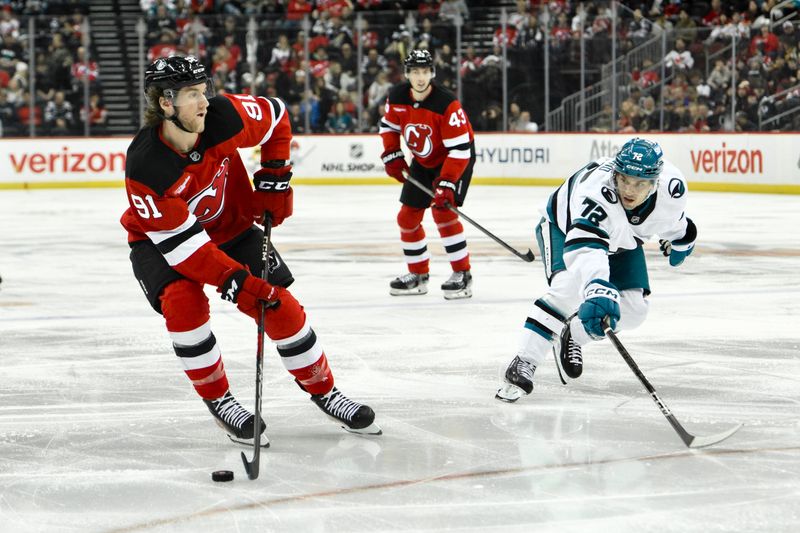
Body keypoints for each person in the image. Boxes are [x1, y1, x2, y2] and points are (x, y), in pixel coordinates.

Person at [121, 55, 381, 446]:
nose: (204, 101)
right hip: (163, 244)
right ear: (165, 103)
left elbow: (277, 116)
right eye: (192, 94)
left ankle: (325, 391)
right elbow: (185, 250)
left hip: (230, 226)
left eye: (203, 90)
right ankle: (220, 401)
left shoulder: (223, 116)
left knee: (280, 305)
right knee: (183, 303)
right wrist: (236, 282)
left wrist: (275, 177)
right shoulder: (146, 165)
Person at [496, 138, 697, 402]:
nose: (629, 190)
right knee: (567, 289)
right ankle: (524, 361)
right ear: (615, 172)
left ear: (654, 183)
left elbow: (675, 224)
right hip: (565, 227)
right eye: (624, 179)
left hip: (622, 242)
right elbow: (586, 246)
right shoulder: (596, 192)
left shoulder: (672, 189)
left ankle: (573, 335)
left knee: (634, 311)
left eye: (640, 184)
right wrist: (597, 287)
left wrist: (684, 242)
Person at [379, 49, 476, 299]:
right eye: (415, 72)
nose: (420, 77)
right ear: (407, 74)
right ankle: (418, 275)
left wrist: (447, 183)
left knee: (442, 212)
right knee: (407, 217)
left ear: (431, 73)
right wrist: (392, 153)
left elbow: (461, 149)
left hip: (455, 159)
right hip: (423, 160)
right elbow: (388, 126)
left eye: (424, 72)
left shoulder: (446, 103)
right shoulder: (398, 96)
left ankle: (462, 274)